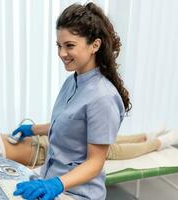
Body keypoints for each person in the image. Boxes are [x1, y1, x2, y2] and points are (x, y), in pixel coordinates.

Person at [12, 2, 128, 199]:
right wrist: (31, 130)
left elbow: (95, 163)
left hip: (76, 193)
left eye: (69, 46)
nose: (61, 53)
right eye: (59, 45)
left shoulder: (103, 96)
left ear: (95, 45)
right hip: (53, 183)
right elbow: (67, 124)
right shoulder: (72, 82)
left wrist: (56, 184)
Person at [0, 126, 178, 165]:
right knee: (106, 150)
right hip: (44, 153)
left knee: (96, 136)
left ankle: (143, 136)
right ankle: (162, 142)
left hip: (42, 140)